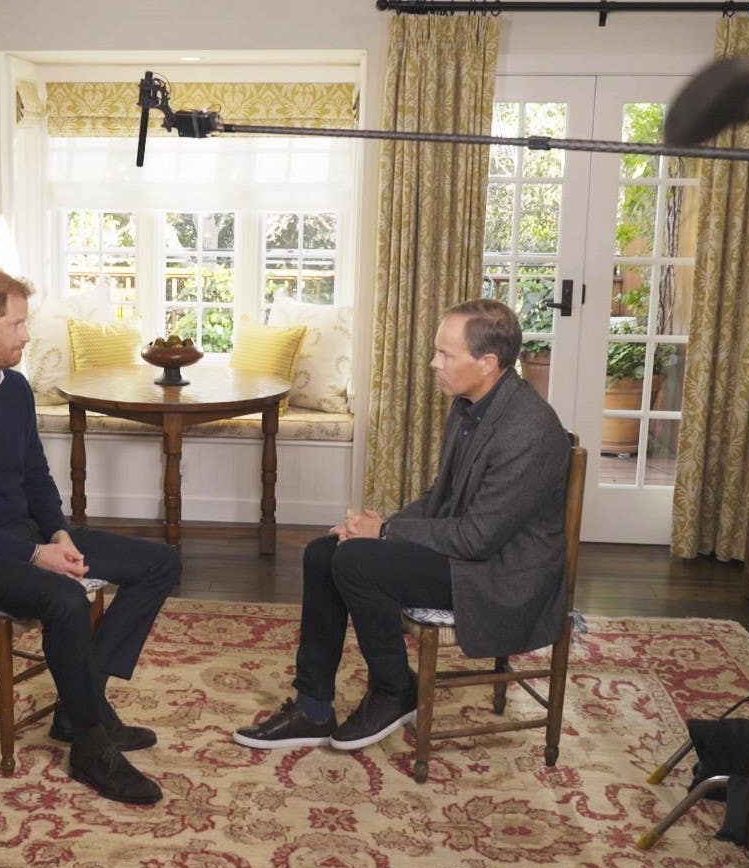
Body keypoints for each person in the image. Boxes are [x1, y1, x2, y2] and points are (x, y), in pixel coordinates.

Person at [0, 267, 181, 805]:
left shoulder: (14, 389)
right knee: (65, 598)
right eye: (18, 323)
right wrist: (34, 554)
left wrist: (57, 532)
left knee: (159, 564)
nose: (27, 335)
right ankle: (91, 745)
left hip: (28, 536)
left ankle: (80, 707)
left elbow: (34, 478)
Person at [234, 298, 569, 752]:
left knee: (355, 563)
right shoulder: (472, 404)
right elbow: (440, 498)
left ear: (488, 363)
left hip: (500, 577)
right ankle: (313, 707)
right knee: (323, 553)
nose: (434, 364)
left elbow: (477, 539)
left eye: (446, 355)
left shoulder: (528, 430)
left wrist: (385, 534)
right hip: (468, 555)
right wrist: (379, 525)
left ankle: (395, 689)